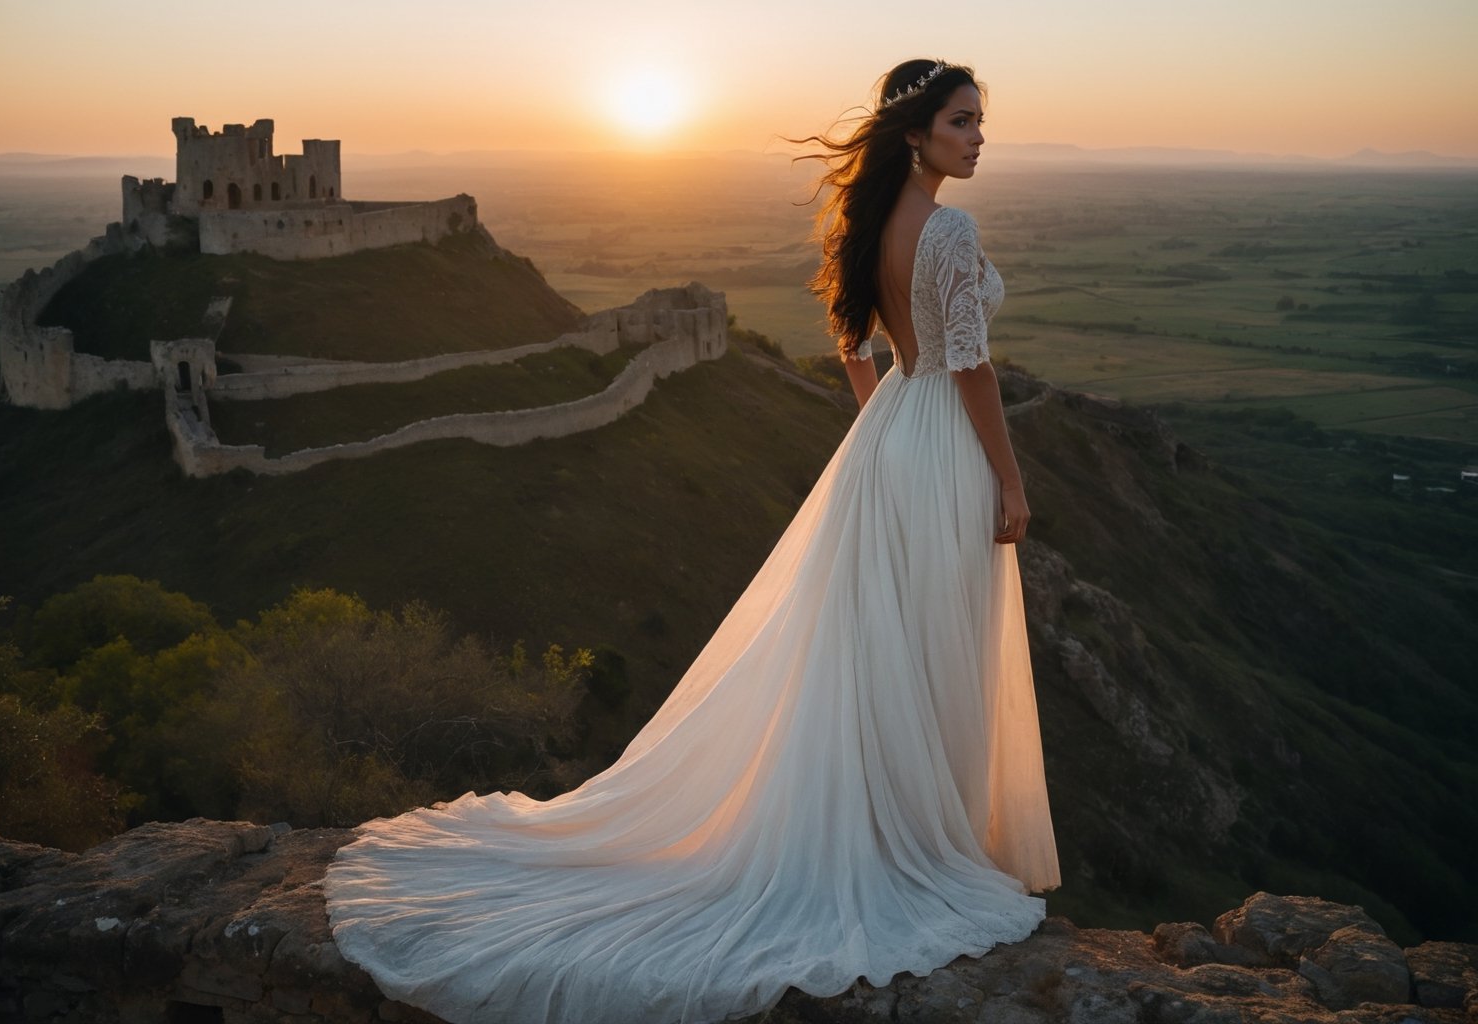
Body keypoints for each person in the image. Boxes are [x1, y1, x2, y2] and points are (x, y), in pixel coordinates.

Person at [325, 58, 1059, 1024]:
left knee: (882, 644)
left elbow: (856, 347)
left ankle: (899, 836)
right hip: (941, 446)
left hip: (887, 441)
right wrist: (1008, 479)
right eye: (962, 122)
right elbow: (971, 370)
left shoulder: (870, 225)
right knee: (934, 644)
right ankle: (925, 848)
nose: (978, 137)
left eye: (980, 122)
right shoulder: (949, 228)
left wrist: (883, 426)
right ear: (916, 134)